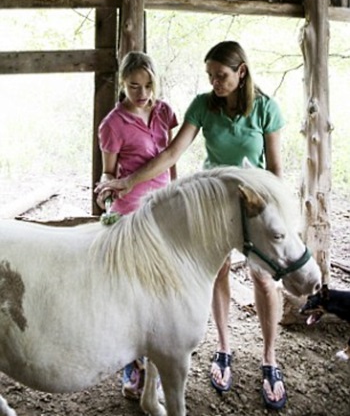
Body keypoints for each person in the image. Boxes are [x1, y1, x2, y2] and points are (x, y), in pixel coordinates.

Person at [95, 41, 287, 410]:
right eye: (210, 76)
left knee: (264, 278)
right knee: (217, 274)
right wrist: (124, 184)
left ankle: (269, 358)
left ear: (241, 72)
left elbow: (275, 170)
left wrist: (274, 212)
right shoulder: (202, 105)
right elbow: (171, 154)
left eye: (222, 76)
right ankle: (223, 348)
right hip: (214, 203)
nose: (215, 82)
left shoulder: (266, 108)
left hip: (254, 204)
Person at [95, 50, 178, 400]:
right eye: (133, 86)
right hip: (130, 210)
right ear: (122, 83)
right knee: (131, 291)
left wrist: (177, 194)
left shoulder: (164, 112)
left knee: (160, 289)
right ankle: (132, 366)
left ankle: (156, 363)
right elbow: (109, 172)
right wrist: (104, 193)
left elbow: (171, 161)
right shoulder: (112, 124)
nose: (142, 93)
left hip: (164, 208)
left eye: (147, 85)